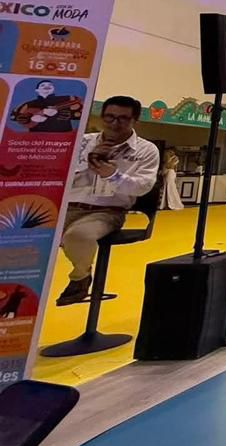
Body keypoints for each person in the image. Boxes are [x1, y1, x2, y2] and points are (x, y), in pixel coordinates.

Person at [56, 96, 159, 305]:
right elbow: (59, 175)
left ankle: (80, 277)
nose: (114, 123)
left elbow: (143, 186)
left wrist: (113, 175)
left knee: (78, 235)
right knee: (25, 235)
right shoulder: (83, 142)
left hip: (107, 211)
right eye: (109, 117)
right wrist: (89, 161)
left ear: (135, 120)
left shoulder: (146, 150)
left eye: (123, 119)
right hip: (64, 207)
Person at [8, 80, 83, 134]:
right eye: (42, 85)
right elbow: (14, 117)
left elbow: (82, 114)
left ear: (53, 88)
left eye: (50, 85)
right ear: (37, 90)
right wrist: (30, 118)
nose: (47, 86)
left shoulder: (67, 99)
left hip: (62, 138)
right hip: (36, 138)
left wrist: (59, 114)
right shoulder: (29, 104)